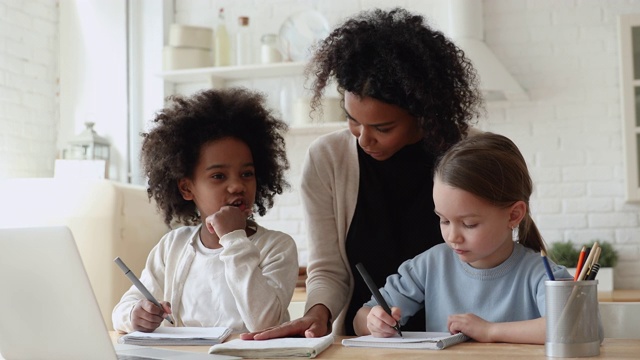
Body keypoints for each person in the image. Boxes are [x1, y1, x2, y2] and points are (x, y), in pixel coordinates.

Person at [242, 7, 483, 339]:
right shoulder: (328, 159)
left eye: (383, 128)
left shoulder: (473, 152)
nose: (363, 138)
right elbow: (329, 269)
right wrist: (318, 313)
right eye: (352, 119)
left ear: (422, 113)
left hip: (463, 341)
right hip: (366, 340)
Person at [353, 132, 572, 344]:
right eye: (444, 220)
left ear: (513, 215)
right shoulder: (430, 265)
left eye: (469, 224)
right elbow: (361, 319)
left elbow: (573, 326)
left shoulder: (539, 273)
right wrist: (374, 322)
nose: (452, 236)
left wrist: (490, 331)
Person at [112, 88, 299, 334]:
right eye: (218, 176)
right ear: (187, 188)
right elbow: (121, 310)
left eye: (247, 174)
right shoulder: (172, 247)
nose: (237, 185)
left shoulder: (277, 247)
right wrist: (135, 315)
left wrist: (233, 239)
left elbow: (266, 324)